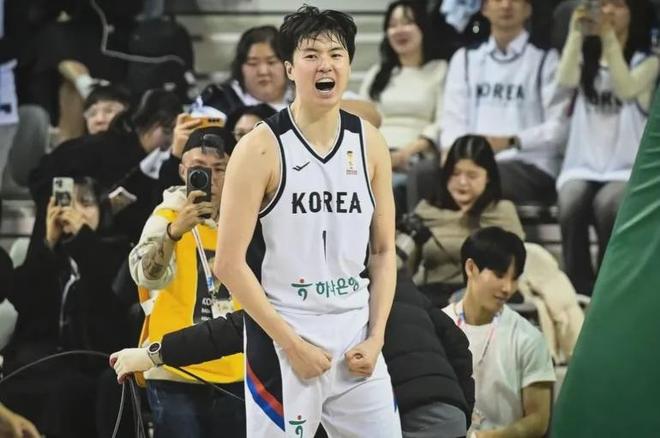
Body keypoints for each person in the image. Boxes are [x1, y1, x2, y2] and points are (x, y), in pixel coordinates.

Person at [214, 6, 401, 437]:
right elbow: (228, 263)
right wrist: (291, 344)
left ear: (349, 64)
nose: (325, 65)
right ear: (289, 68)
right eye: (311, 55)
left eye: (336, 54)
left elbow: (383, 251)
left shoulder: (370, 143)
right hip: (285, 334)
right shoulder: (259, 148)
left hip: (355, 336)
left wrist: (376, 337)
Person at [401, 135, 584, 360]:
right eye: (455, 174)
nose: (462, 182)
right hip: (435, 295)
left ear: (488, 177)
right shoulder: (426, 210)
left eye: (472, 175)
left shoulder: (502, 212)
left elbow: (511, 266)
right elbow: (404, 268)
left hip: (486, 299)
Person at [127, 127, 244, 438]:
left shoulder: (248, 218)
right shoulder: (165, 216)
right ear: (182, 171)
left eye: (219, 169)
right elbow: (144, 275)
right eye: (199, 169)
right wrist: (173, 233)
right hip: (173, 369)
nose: (211, 178)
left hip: (236, 369)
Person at [0, 177, 131, 438]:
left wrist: (83, 239)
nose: (74, 212)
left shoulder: (117, 252)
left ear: (102, 211)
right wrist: (48, 243)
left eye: (86, 203)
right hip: (39, 360)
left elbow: (108, 304)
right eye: (66, 203)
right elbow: (21, 299)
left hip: (91, 362)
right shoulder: (49, 257)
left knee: (66, 391)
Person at [556, 0, 657, 295]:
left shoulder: (648, 62)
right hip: (582, 164)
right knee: (569, 202)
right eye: (603, 4)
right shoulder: (586, 57)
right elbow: (565, 80)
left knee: (608, 205)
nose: (608, 11)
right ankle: (577, 287)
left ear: (633, 13)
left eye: (618, 5)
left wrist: (608, 38)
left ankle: (608, 285)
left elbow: (626, 88)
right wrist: (576, 33)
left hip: (624, 167)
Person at [440, 0, 570, 206]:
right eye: (497, 0)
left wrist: (512, 141)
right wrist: (454, 151)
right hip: (470, 161)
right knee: (424, 174)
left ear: (528, 9)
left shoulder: (546, 59)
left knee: (490, 178)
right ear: (484, 8)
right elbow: (452, 118)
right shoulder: (465, 58)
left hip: (529, 163)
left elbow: (559, 129)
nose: (506, 5)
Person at [443, 227, 555, 437]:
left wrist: (491, 437)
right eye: (500, 275)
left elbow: (538, 420)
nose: (507, 288)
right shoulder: (437, 327)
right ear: (471, 268)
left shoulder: (528, 338)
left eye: (514, 278)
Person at [360, 1, 447, 176]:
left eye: (407, 23)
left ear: (422, 28)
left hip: (417, 156)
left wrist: (406, 153)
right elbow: (361, 118)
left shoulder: (440, 69)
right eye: (393, 25)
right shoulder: (377, 73)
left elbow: (442, 121)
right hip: (375, 153)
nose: (399, 30)